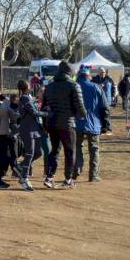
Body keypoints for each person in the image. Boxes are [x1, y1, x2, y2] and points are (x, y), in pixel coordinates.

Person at [42, 61, 86, 189]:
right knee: (70, 151)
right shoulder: (73, 85)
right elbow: (80, 106)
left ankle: (49, 177)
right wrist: (83, 114)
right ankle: (68, 179)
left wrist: (45, 123)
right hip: (67, 123)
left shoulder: (49, 86)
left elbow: (44, 106)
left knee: (54, 150)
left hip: (52, 123)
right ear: (70, 72)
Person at [74, 66, 111, 183]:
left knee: (77, 148)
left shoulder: (73, 87)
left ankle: (77, 169)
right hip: (93, 123)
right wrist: (106, 126)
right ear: (88, 75)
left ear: (79, 75)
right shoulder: (96, 87)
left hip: (76, 123)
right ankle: (93, 175)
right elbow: (105, 108)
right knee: (94, 150)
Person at [17, 80, 47, 191]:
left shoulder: (27, 97)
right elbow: (34, 112)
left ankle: (20, 166)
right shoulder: (24, 98)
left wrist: (35, 101)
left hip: (34, 129)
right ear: (26, 87)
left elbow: (33, 108)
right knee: (29, 153)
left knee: (38, 152)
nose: (31, 85)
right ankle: (24, 178)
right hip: (27, 129)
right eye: (29, 84)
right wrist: (48, 113)